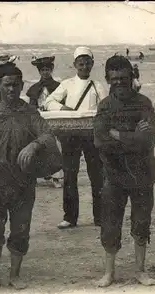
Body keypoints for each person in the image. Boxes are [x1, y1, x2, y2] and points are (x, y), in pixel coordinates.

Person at [0, 65, 59, 291]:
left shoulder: (30, 113)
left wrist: (34, 144)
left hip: (22, 183)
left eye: (15, 85)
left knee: (20, 230)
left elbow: (48, 135)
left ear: (21, 86)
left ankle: (15, 277)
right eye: (6, 84)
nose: (11, 89)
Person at [93, 55, 155, 288]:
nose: (120, 82)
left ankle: (140, 270)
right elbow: (101, 142)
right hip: (114, 173)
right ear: (108, 79)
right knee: (110, 224)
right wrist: (133, 136)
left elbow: (150, 139)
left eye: (124, 78)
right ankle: (109, 273)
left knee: (141, 223)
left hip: (143, 173)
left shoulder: (144, 103)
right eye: (114, 79)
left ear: (131, 77)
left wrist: (118, 134)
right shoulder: (104, 106)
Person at [44, 46, 108, 229]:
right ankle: (70, 217)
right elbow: (48, 102)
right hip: (70, 134)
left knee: (96, 175)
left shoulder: (98, 85)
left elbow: (105, 108)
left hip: (91, 134)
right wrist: (64, 109)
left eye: (88, 62)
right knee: (70, 175)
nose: (84, 65)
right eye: (81, 62)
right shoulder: (66, 84)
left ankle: (100, 216)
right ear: (75, 64)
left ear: (92, 64)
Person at [26, 56, 63, 188]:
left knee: (56, 146)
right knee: (38, 146)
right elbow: (31, 107)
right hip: (38, 120)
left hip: (55, 119)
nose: (45, 72)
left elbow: (62, 104)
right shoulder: (35, 88)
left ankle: (56, 177)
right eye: (43, 70)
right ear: (39, 72)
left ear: (52, 70)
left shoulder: (59, 87)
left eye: (48, 69)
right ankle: (38, 175)